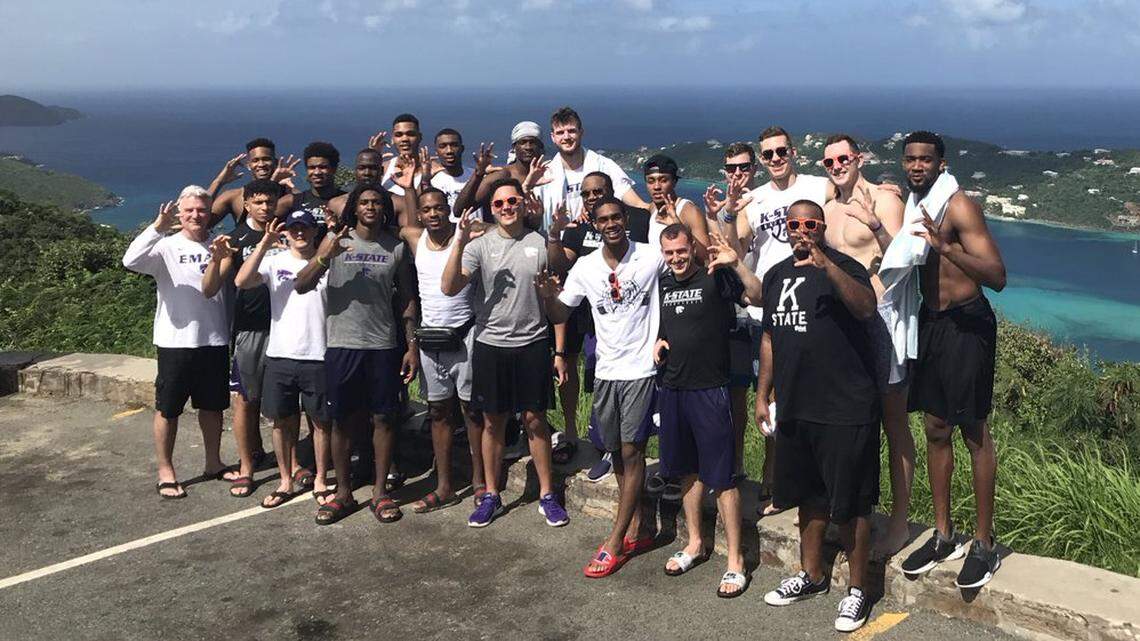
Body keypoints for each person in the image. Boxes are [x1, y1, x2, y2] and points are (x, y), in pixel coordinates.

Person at [756, 200, 880, 632]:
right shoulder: (775, 274)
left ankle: (859, 591)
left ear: (823, 227)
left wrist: (826, 264)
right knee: (807, 498)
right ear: (786, 228)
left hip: (846, 406)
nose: (802, 230)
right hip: (796, 405)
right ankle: (811, 576)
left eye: (811, 224)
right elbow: (770, 335)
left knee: (851, 502)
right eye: (795, 224)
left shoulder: (845, 266)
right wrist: (762, 393)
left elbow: (866, 308)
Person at [897, 131, 1007, 589]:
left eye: (926, 159)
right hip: (933, 321)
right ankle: (944, 535)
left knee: (972, 429)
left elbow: (997, 276)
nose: (917, 166)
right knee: (935, 427)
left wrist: (948, 249)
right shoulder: (911, 205)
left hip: (967, 322)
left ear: (942, 164)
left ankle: (983, 543)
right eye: (910, 159)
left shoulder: (958, 207)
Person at [538, 197, 662, 577]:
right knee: (616, 452)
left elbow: (687, 263)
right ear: (594, 223)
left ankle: (615, 539)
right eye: (602, 219)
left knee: (631, 451)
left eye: (616, 217)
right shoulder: (585, 267)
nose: (610, 224)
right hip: (606, 371)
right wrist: (547, 297)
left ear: (626, 220)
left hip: (642, 370)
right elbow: (563, 311)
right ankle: (640, 525)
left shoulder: (651, 256)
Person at [441, 177, 569, 529]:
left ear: (523, 204)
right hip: (491, 345)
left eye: (513, 201)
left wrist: (554, 233)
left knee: (535, 420)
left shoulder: (538, 241)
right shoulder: (479, 245)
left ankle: (546, 494)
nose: (507, 208)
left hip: (532, 343)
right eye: (499, 204)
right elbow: (449, 286)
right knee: (493, 422)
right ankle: (492, 494)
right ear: (491, 210)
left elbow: (558, 277)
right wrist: (459, 241)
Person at [719, 127, 834, 516]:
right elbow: (735, 248)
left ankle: (802, 483)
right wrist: (730, 212)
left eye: (780, 151)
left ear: (794, 151)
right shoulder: (756, 198)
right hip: (762, 309)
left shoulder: (820, 187)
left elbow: (851, 198)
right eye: (767, 155)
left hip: (807, 310)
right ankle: (773, 478)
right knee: (768, 400)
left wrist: (885, 191)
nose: (774, 159)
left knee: (800, 401)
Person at [293, 182, 419, 526]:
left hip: (382, 344)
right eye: (363, 202)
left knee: (383, 418)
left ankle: (380, 492)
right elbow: (301, 285)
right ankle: (344, 492)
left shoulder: (395, 247)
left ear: (384, 208)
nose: (370, 207)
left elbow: (408, 298)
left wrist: (412, 346)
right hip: (342, 344)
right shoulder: (336, 241)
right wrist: (324, 255)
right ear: (354, 207)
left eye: (377, 202)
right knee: (341, 420)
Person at [653, 224, 764, 598]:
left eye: (681, 251)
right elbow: (667, 326)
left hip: (710, 390)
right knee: (687, 472)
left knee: (723, 478)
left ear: (692, 249)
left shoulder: (715, 278)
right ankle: (696, 543)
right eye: (669, 254)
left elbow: (757, 296)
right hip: (674, 388)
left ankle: (736, 560)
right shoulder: (665, 284)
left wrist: (736, 264)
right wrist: (659, 341)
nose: (676, 259)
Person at [820, 133, 913, 556]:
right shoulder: (827, 206)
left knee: (894, 423)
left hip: (882, 321)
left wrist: (874, 224)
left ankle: (898, 523)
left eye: (843, 158)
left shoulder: (884, 200)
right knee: (851, 421)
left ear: (859, 158)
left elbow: (904, 260)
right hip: (843, 326)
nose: (837, 166)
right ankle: (853, 514)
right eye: (829, 162)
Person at [122, 186, 239, 498]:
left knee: (213, 408)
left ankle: (213, 463)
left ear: (209, 211)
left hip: (213, 339)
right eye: (188, 211)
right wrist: (157, 228)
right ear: (179, 214)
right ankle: (166, 470)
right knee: (168, 409)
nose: (196, 215)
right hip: (174, 342)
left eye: (201, 209)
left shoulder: (220, 245)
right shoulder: (165, 247)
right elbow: (129, 260)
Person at [546, 172, 652, 479]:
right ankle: (594, 441)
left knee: (622, 391)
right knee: (592, 380)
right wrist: (554, 235)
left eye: (599, 192)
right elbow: (561, 265)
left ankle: (616, 449)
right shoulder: (577, 229)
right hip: (587, 316)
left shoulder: (636, 226)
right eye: (587, 193)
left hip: (629, 324)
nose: (592, 197)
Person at [233, 210, 334, 509]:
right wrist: (264, 243)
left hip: (320, 353)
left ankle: (320, 480)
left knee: (321, 423)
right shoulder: (274, 261)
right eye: (294, 228)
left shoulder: (327, 262)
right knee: (281, 422)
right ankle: (285, 480)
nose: (300, 233)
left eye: (305, 228)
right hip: (280, 354)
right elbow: (241, 280)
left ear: (315, 232)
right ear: (286, 232)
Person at [398, 187, 485, 511]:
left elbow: (495, 229)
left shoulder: (468, 236)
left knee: (472, 412)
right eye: (427, 209)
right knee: (438, 412)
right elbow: (406, 220)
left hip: (464, 337)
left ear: (448, 208)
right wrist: (408, 185)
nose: (433, 214)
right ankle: (445, 485)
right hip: (430, 340)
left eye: (439, 208)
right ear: (420, 214)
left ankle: (480, 482)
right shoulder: (414, 237)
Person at [200, 179, 285, 498]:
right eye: (259, 202)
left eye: (270, 202)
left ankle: (290, 464)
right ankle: (247, 467)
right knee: (246, 401)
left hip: (286, 328)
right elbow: (209, 289)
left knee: (285, 402)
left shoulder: (290, 233)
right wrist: (215, 257)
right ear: (246, 203)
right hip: (250, 329)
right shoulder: (234, 239)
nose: (265, 208)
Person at [535, 107, 649, 229]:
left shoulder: (604, 165)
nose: (566, 137)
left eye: (571, 131)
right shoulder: (543, 175)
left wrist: (656, 210)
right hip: (557, 242)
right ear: (553, 137)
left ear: (581, 132)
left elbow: (636, 202)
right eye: (560, 132)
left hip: (600, 241)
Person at [453, 121, 545, 228]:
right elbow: (459, 211)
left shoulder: (547, 177)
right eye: (523, 142)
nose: (528, 147)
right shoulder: (502, 176)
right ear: (514, 147)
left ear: (540, 147)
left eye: (533, 142)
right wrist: (478, 174)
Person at [206, 137, 297, 227]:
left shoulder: (290, 194)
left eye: (266, 159)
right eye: (255, 160)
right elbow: (203, 222)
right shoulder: (234, 197)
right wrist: (218, 182)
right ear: (248, 165)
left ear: (275, 162)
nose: (261, 164)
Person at [642, 154, 709, 253]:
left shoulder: (689, 211)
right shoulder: (653, 208)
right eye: (651, 181)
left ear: (674, 182)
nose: (656, 187)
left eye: (663, 180)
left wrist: (678, 226)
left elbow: (706, 258)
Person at [278, 141, 346, 230]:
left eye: (323, 167)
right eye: (312, 168)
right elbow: (260, 217)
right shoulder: (292, 201)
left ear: (334, 169)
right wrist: (274, 181)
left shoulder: (346, 201)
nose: (317, 172)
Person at [327, 148, 386, 222]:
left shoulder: (397, 203)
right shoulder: (336, 204)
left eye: (373, 168)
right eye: (362, 168)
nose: (367, 173)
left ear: (382, 171)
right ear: (355, 171)